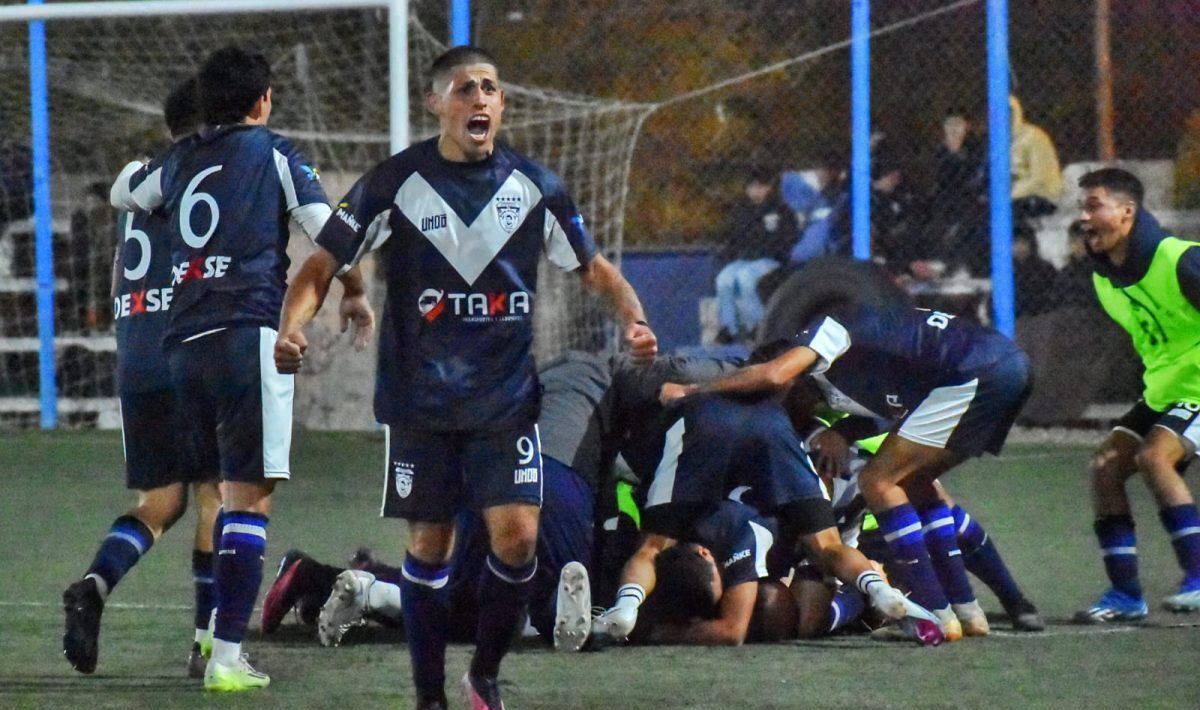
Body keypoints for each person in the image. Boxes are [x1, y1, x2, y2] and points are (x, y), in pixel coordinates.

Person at [273, 45, 657, 710]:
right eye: (464, 89)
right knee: (430, 542)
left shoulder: (534, 186)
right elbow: (321, 266)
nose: (480, 99)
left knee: (520, 539)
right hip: (420, 404)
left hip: (504, 402)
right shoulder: (393, 183)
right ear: (435, 103)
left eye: (490, 89)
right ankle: (429, 698)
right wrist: (291, 325)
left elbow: (592, 268)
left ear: (501, 104)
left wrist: (634, 318)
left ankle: (482, 674)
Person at [110, 46, 374, 692]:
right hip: (244, 336)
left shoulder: (177, 160)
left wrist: (153, 166)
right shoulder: (273, 152)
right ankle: (226, 657)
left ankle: (208, 638)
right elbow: (333, 234)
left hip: (181, 347)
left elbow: (124, 189)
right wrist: (356, 289)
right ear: (262, 102)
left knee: (218, 496)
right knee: (249, 499)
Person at [660, 304, 1032, 641]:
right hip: (1002, 367)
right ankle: (967, 611)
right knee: (915, 483)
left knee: (879, 481)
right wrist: (841, 431)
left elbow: (774, 374)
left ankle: (935, 615)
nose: (778, 415)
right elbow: (896, 410)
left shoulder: (830, 328)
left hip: (975, 372)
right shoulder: (857, 378)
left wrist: (694, 390)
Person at [62, 79, 221, 680]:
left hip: (136, 353)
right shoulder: (210, 177)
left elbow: (115, 281)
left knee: (159, 502)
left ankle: (95, 586)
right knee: (217, 498)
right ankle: (207, 646)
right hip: (191, 352)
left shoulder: (138, 179)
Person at [593, 386, 944, 647]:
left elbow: (732, 630)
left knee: (652, 547)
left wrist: (653, 633)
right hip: (770, 425)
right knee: (827, 548)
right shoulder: (726, 530)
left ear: (703, 555)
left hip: (702, 422)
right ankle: (878, 589)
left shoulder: (730, 536)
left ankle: (625, 607)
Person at [1072, 167, 1200, 622]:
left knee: (1154, 457)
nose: (1084, 217)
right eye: (1081, 207)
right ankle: (1126, 595)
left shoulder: (1182, 259)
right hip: (1167, 391)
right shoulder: (1105, 276)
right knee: (1106, 467)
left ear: (1127, 213)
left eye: (1094, 205)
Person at [713, 166, 797, 343]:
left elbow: (787, 239)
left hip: (770, 260)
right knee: (724, 280)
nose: (756, 191)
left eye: (761, 186)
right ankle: (730, 327)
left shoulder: (780, 210)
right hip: (746, 259)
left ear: (769, 188)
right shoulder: (742, 210)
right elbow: (732, 238)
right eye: (752, 187)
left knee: (746, 279)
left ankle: (758, 326)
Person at [928, 108, 988, 275]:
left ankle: (964, 266)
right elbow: (939, 178)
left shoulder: (975, 149)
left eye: (958, 124)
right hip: (944, 202)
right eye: (950, 125)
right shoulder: (938, 150)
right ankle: (942, 265)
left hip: (970, 201)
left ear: (966, 127)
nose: (954, 129)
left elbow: (975, 177)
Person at [1009, 96, 1063, 223]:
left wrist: (1010, 192)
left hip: (1041, 196)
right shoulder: (997, 142)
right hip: (1010, 196)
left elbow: (1040, 179)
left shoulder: (1034, 137)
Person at [1011, 225, 1059, 317]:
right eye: (1015, 243)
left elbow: (1053, 297)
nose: (1019, 247)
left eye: (1023, 242)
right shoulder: (1006, 271)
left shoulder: (1046, 269)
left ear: (1031, 244)